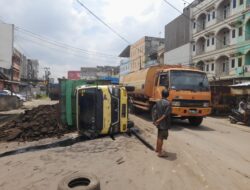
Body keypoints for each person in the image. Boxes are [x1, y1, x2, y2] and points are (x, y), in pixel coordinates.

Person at [153, 89, 171, 157]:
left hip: (159, 124)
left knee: (159, 136)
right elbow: (165, 114)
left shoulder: (158, 102)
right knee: (161, 138)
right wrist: (158, 120)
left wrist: (155, 121)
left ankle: (157, 149)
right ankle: (160, 153)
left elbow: (155, 112)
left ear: (162, 94)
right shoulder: (168, 103)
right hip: (164, 123)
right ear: (168, 95)